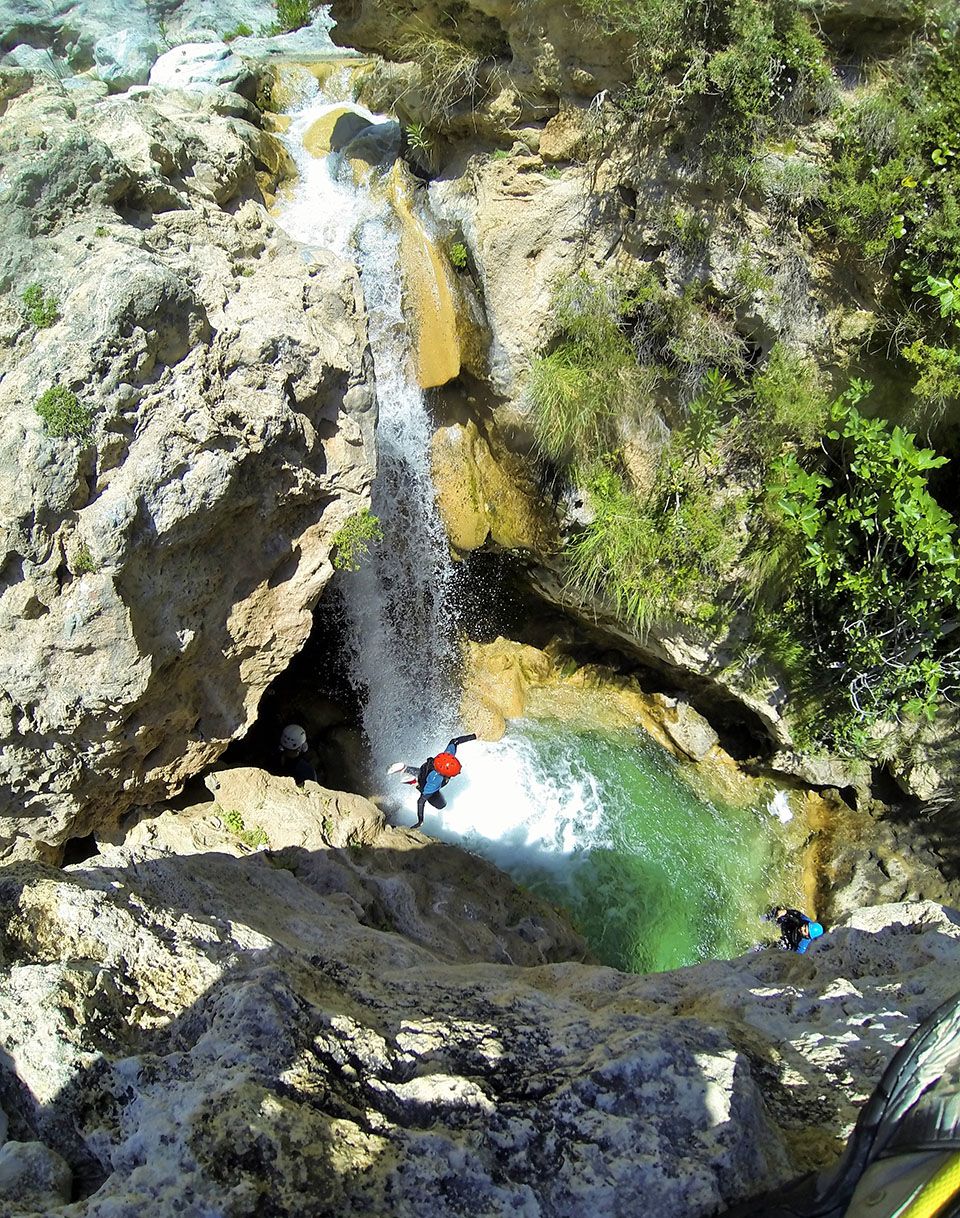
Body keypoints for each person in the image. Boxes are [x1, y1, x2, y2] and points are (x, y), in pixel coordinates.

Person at [388, 733, 477, 827]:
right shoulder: (436, 781)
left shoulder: (445, 757)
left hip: (424, 771)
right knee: (441, 804)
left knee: (422, 775)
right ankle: (414, 782)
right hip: (426, 782)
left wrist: (474, 736)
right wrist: (420, 821)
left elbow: (454, 741)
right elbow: (421, 801)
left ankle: (406, 768)